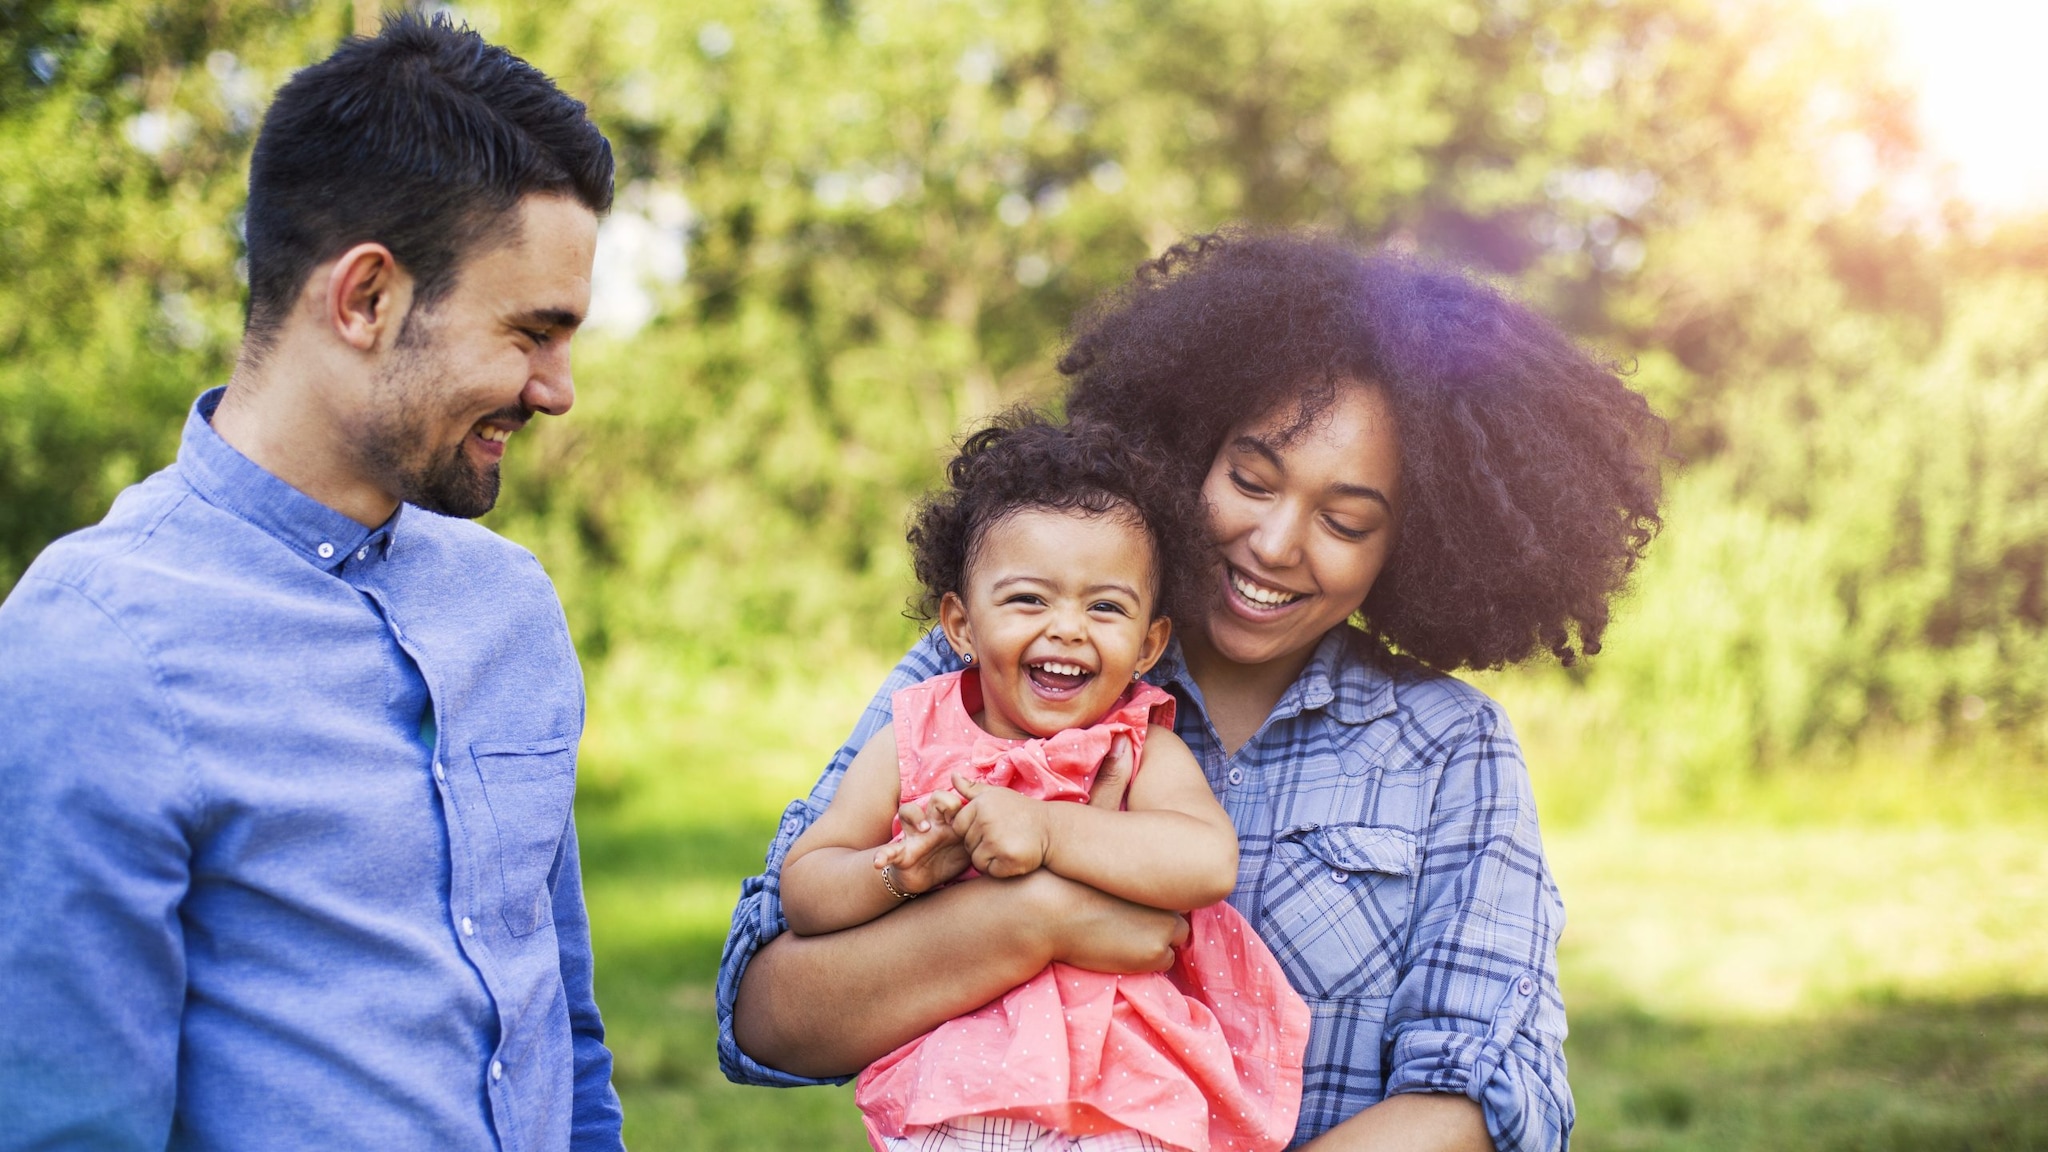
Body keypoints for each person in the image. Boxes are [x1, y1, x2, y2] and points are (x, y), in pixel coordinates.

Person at [718, 231, 1667, 1152]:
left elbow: (1491, 1098)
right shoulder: (986, 674)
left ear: (1409, 548)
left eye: (1344, 520)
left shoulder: (1446, 748)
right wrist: (1030, 918)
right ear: (1189, 451)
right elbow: (764, 1017)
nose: (1276, 543)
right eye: (1251, 479)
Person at [0, 15, 622, 1150]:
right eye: (532, 332)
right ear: (366, 300)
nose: (556, 391)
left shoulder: (510, 607)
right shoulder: (93, 650)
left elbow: (562, 1041)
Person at [780, 413, 1310, 1151]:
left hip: (1121, 1100)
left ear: (1150, 643)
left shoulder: (1136, 746)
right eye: (1030, 599)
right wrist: (902, 872)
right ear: (961, 626)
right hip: (956, 1102)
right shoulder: (916, 738)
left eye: (1105, 607)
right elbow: (804, 890)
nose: (1067, 628)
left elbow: (1206, 861)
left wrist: (1049, 829)